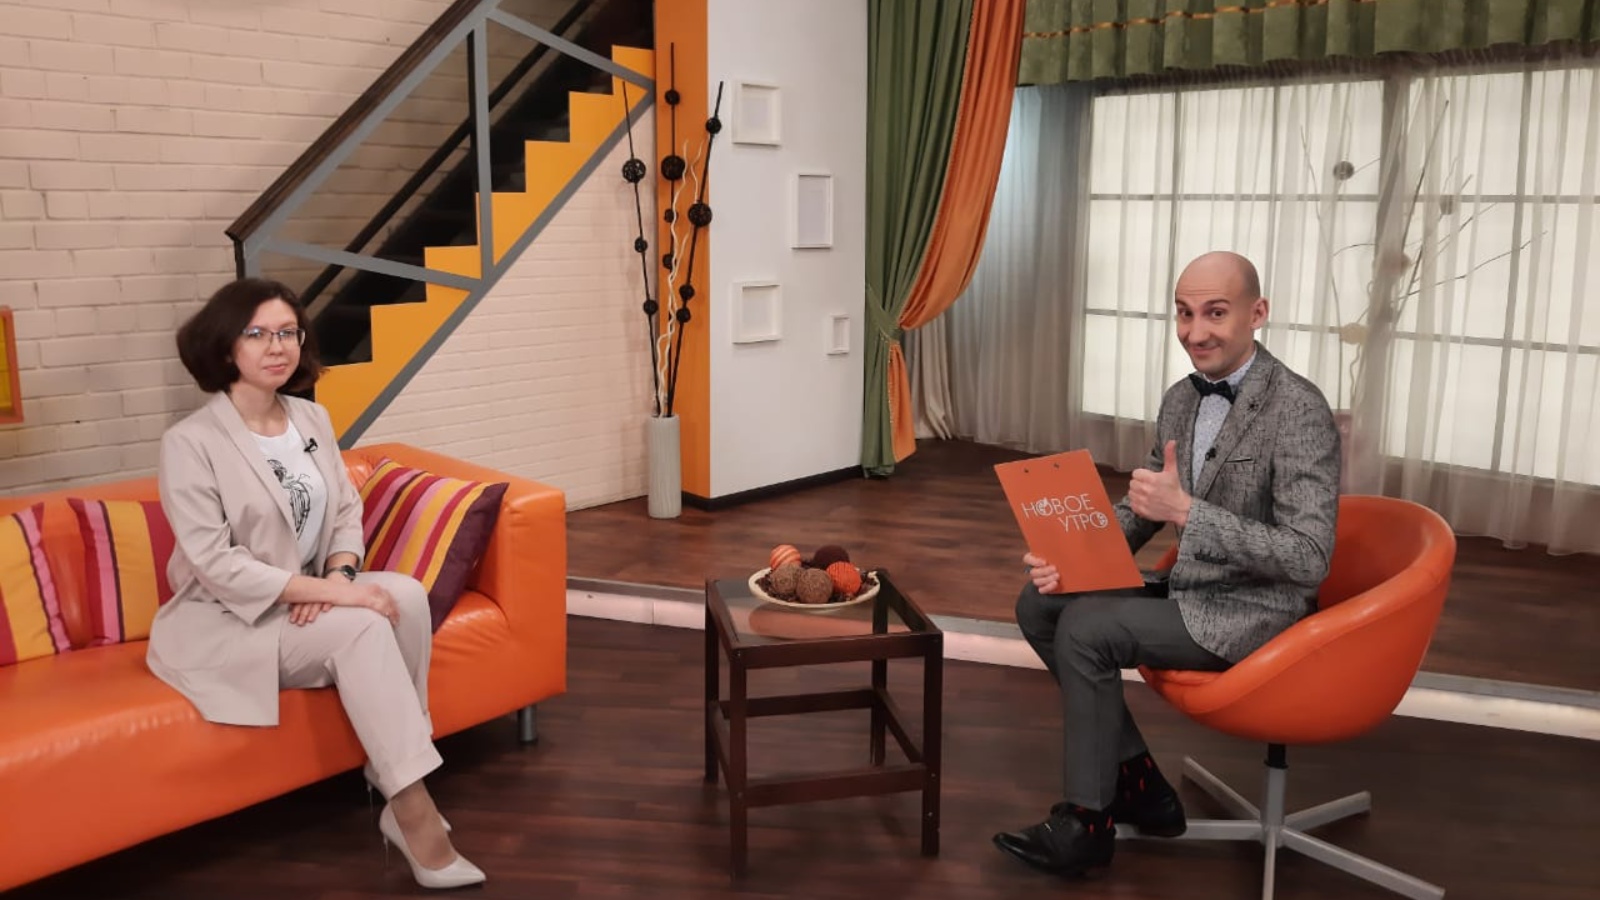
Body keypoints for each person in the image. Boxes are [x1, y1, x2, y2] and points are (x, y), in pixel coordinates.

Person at [992, 251, 1341, 876]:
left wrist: (1189, 513)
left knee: (1088, 629)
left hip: (1258, 610)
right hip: (1191, 589)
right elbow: (1146, 505)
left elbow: (1309, 557)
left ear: (1257, 314)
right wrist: (1071, 557)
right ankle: (1139, 783)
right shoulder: (1181, 398)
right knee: (1040, 603)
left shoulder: (1298, 408)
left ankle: (1086, 824)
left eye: (1215, 313)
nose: (1195, 331)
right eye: (1184, 313)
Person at [147, 277, 485, 889]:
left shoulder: (311, 416)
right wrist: (336, 596)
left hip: (304, 593)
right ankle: (413, 812)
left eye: (288, 332)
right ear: (225, 346)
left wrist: (337, 575)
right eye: (257, 333)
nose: (277, 346)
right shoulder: (189, 443)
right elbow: (217, 564)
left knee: (406, 596)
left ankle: (391, 770)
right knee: (361, 626)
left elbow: (347, 512)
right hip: (228, 619)